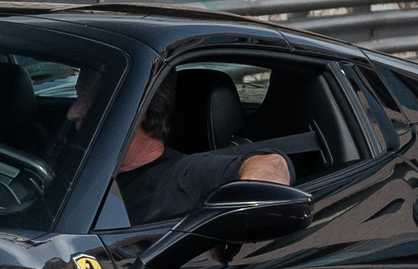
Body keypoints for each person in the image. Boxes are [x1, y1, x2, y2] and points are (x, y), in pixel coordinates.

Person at [102, 76, 293, 222]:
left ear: (135, 110)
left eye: (86, 98)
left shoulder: (185, 175)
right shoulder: (82, 170)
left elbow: (273, 165)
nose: (72, 112)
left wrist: (228, 222)